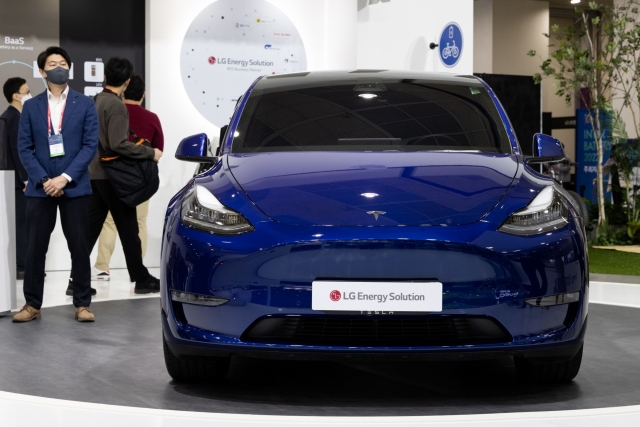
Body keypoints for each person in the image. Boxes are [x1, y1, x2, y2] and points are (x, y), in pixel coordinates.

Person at [14, 46, 99, 323]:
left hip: (75, 187)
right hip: (40, 189)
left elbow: (89, 146)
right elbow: (24, 148)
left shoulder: (85, 104)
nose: (58, 66)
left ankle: (83, 304)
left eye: (62, 62)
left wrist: (64, 178)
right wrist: (44, 180)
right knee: (35, 247)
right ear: (42, 71)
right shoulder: (31, 106)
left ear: (69, 68)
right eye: (52, 63)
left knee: (79, 246)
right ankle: (32, 304)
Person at [82, 57, 162, 295]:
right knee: (129, 230)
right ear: (127, 82)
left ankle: (76, 279)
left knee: (90, 230)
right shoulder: (116, 106)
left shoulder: (95, 101)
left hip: (95, 174)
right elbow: (118, 144)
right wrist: (150, 152)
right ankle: (141, 278)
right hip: (113, 178)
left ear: (105, 77)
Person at [1, 77, 31, 280]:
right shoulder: (14, 118)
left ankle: (21, 263)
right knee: (22, 224)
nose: (30, 94)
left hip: (12, 179)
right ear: (16, 95)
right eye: (26, 91)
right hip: (18, 181)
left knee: (19, 223)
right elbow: (17, 150)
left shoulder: (9, 116)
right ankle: (22, 265)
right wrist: (26, 179)